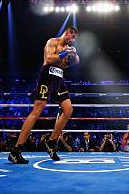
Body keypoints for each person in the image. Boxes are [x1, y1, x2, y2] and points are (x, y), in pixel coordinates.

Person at [9, 26, 80, 164]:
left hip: (59, 78)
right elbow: (48, 59)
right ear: (67, 33)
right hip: (47, 76)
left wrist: (74, 55)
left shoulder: (68, 48)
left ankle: (51, 142)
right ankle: (16, 150)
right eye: (72, 38)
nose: (72, 41)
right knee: (37, 111)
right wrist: (64, 53)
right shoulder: (52, 42)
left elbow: (71, 64)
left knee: (68, 110)